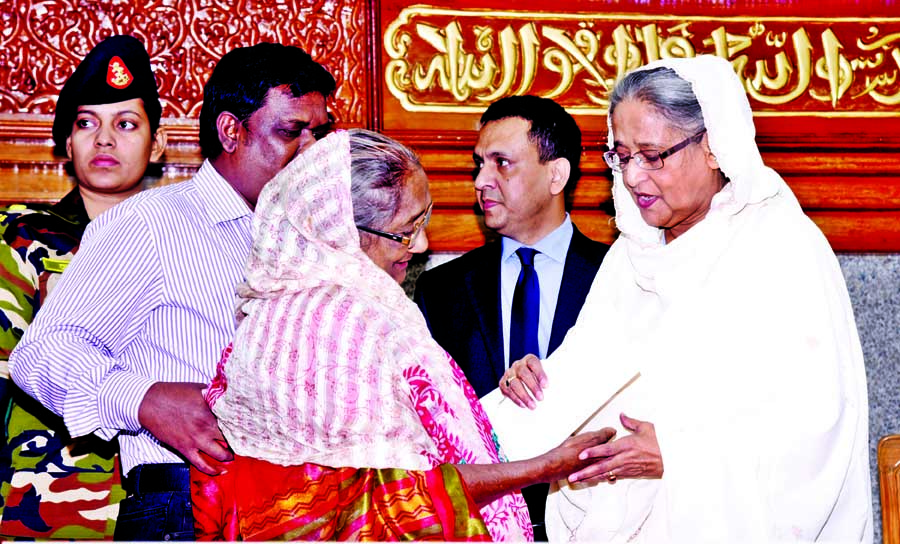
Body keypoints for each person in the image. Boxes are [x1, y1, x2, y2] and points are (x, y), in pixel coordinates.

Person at [501, 55, 873, 542]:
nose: (632, 178)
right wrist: (533, 386)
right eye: (621, 155)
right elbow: (587, 382)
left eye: (652, 156)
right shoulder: (629, 259)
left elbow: (815, 426)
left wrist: (675, 454)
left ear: (715, 146)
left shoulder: (780, 247)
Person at [190, 129, 617, 541]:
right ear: (345, 230)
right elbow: (404, 496)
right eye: (407, 229)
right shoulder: (355, 323)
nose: (421, 245)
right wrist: (543, 466)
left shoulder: (272, 313)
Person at [8, 43, 336, 541]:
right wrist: (143, 399)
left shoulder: (309, 240)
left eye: (320, 134)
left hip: (298, 505)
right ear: (231, 130)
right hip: (186, 505)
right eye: (292, 132)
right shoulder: (151, 224)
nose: (313, 153)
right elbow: (43, 354)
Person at [414, 95, 609, 539]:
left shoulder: (619, 276)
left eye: (502, 163)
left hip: (592, 519)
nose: (482, 180)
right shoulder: (440, 290)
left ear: (556, 174)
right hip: (477, 524)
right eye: (479, 164)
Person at [0, 35, 166, 539]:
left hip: (167, 495)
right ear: (67, 145)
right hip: (47, 500)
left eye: (127, 124)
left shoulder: (188, 242)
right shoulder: (18, 234)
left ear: (157, 144)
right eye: (86, 123)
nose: (105, 139)